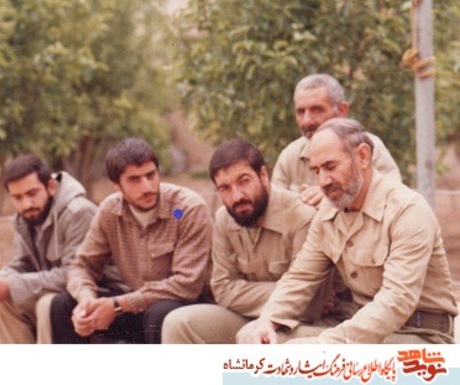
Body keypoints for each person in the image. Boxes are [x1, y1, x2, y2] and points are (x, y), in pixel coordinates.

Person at [239, 118, 458, 344]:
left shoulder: (408, 210)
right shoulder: (328, 214)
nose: (323, 181)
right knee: (254, 337)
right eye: (316, 171)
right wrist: (268, 320)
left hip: (420, 336)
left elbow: (396, 300)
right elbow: (301, 277)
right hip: (360, 334)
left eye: (330, 167)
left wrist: (326, 344)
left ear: (363, 156)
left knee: (305, 354)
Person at [162, 139, 330, 343]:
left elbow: (310, 302)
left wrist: (244, 292)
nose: (237, 196)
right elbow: (222, 289)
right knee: (177, 323)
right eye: (225, 188)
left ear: (263, 175)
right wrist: (283, 289)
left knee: (251, 336)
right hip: (249, 315)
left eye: (244, 181)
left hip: (302, 322)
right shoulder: (225, 219)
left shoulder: (300, 216)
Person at [50, 137, 213, 344]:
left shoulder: (186, 209)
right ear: (117, 186)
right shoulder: (110, 211)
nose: (147, 187)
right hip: (136, 307)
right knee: (63, 304)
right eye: (134, 180)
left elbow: (187, 285)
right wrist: (87, 301)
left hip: (183, 308)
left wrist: (118, 305)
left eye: (151, 175)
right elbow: (81, 266)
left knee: (159, 313)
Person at [0, 154, 98, 343]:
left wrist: (10, 285)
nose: (26, 204)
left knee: (46, 304)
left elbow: (75, 274)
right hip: (60, 294)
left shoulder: (78, 213)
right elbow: (21, 265)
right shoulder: (26, 218)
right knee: (6, 302)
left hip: (96, 293)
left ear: (51, 187)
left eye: (32, 193)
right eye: (17, 197)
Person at [272, 73, 401, 207]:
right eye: (300, 112)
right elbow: (276, 207)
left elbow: (395, 199)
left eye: (317, 110)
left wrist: (334, 194)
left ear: (341, 111)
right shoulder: (290, 156)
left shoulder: (367, 146)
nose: (307, 121)